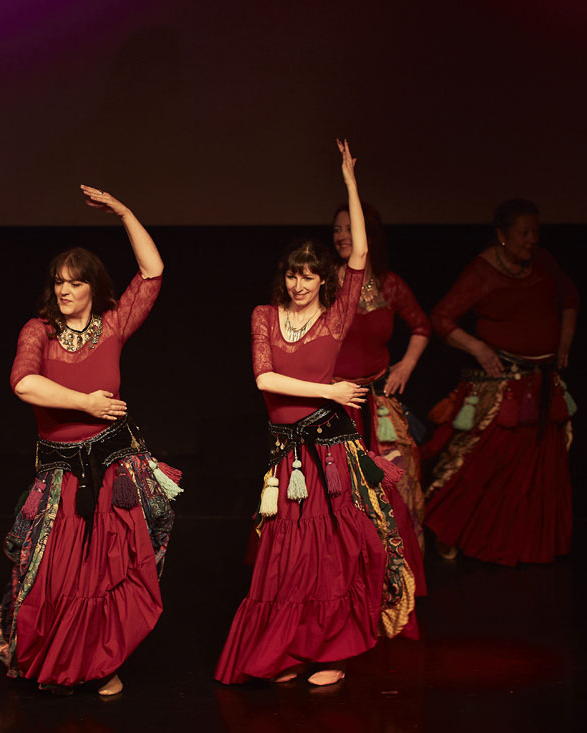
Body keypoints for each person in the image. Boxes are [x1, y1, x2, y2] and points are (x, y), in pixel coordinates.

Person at [216, 141, 417, 687]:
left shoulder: (335, 316)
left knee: (328, 551)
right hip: (287, 456)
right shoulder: (264, 316)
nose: (298, 283)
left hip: (329, 451)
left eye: (308, 275)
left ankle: (330, 652)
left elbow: (359, 255)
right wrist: (330, 390)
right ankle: (284, 649)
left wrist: (350, 183)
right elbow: (265, 379)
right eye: (292, 274)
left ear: (323, 280)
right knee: (285, 553)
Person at [0, 185, 183, 697]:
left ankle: (101, 664)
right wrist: (87, 403)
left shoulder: (113, 325)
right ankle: (59, 659)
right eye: (59, 282)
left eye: (75, 283)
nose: (65, 291)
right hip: (62, 476)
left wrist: (123, 211)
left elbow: (153, 271)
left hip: (113, 470)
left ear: (94, 288)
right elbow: (23, 384)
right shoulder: (38, 331)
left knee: (106, 572)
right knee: (58, 574)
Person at [422, 199, 577, 565]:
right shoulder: (482, 271)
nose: (531, 240)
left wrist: (564, 341)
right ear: (502, 235)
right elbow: (441, 317)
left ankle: (528, 545)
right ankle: (451, 531)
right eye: (524, 233)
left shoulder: (543, 262)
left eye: (535, 232)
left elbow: (570, 296)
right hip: (504, 387)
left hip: (543, 385)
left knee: (538, 475)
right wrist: (477, 347)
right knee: (486, 466)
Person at [332, 204, 430, 567]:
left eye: (349, 228)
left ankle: (393, 567)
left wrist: (406, 365)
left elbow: (421, 326)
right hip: (337, 401)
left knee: (399, 476)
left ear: (368, 235)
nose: (341, 236)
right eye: (337, 230)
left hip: (379, 399)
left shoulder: (390, 285)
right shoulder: (326, 282)